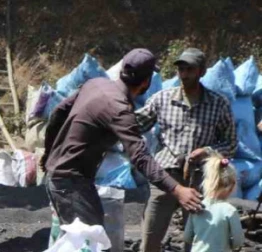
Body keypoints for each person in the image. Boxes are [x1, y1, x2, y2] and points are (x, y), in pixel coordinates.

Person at [128, 48, 237, 252]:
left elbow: (231, 144)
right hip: (166, 179)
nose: (184, 74)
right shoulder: (162, 99)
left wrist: (207, 150)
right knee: (149, 244)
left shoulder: (217, 104)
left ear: (201, 71)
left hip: (201, 181)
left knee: (197, 249)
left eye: (189, 69)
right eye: (180, 69)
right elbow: (134, 124)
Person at [42, 48, 203, 228]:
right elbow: (141, 157)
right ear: (147, 81)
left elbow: (58, 112)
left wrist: (49, 154)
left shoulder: (95, 84)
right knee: (90, 245)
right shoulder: (119, 109)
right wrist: (178, 189)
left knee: (80, 244)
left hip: (62, 177)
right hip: (70, 183)